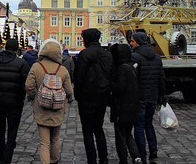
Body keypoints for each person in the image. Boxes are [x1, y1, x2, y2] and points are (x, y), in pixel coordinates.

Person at [25, 38, 74, 164]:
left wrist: (34, 97)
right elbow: (69, 91)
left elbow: (29, 86)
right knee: (55, 138)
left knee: (44, 142)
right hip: (57, 108)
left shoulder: (36, 66)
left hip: (41, 108)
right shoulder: (62, 69)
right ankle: (54, 160)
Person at [0, 38, 30, 164]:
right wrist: (24, 97)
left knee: (0, 130)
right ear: (16, 49)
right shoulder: (22, 64)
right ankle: (6, 160)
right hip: (15, 103)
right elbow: (26, 84)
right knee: (12, 132)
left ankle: (0, 155)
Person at [73, 28, 114, 164]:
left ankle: (92, 159)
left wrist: (77, 94)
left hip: (87, 97)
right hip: (102, 96)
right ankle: (104, 158)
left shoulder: (85, 54)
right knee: (99, 128)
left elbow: (79, 77)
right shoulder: (107, 54)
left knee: (88, 130)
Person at [130, 32, 166, 164]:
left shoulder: (135, 57)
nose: (130, 43)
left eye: (132, 41)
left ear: (138, 42)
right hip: (152, 97)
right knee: (149, 124)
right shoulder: (157, 57)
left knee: (139, 126)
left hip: (140, 98)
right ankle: (153, 152)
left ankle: (141, 154)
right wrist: (162, 95)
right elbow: (161, 78)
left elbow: (133, 80)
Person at [110, 44, 143, 164]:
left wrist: (111, 84)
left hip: (122, 107)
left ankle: (123, 159)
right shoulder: (132, 67)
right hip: (133, 106)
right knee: (128, 134)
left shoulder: (121, 68)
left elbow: (120, 87)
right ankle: (136, 156)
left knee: (120, 136)